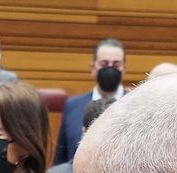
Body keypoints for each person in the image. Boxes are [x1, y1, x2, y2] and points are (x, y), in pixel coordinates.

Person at [53, 38, 125, 166]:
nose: (110, 68)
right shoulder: (72, 106)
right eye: (104, 64)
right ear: (93, 68)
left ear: (123, 69)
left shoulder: (137, 105)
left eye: (116, 65)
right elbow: (61, 158)